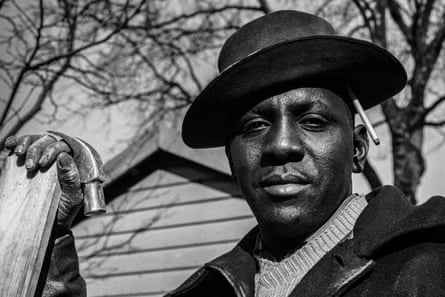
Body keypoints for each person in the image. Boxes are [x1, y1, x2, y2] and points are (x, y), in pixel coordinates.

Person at [5, 10, 445, 297]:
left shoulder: (431, 262)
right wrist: (44, 229)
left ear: (359, 147)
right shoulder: (203, 294)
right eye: (254, 126)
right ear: (232, 158)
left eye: (312, 121)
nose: (280, 145)